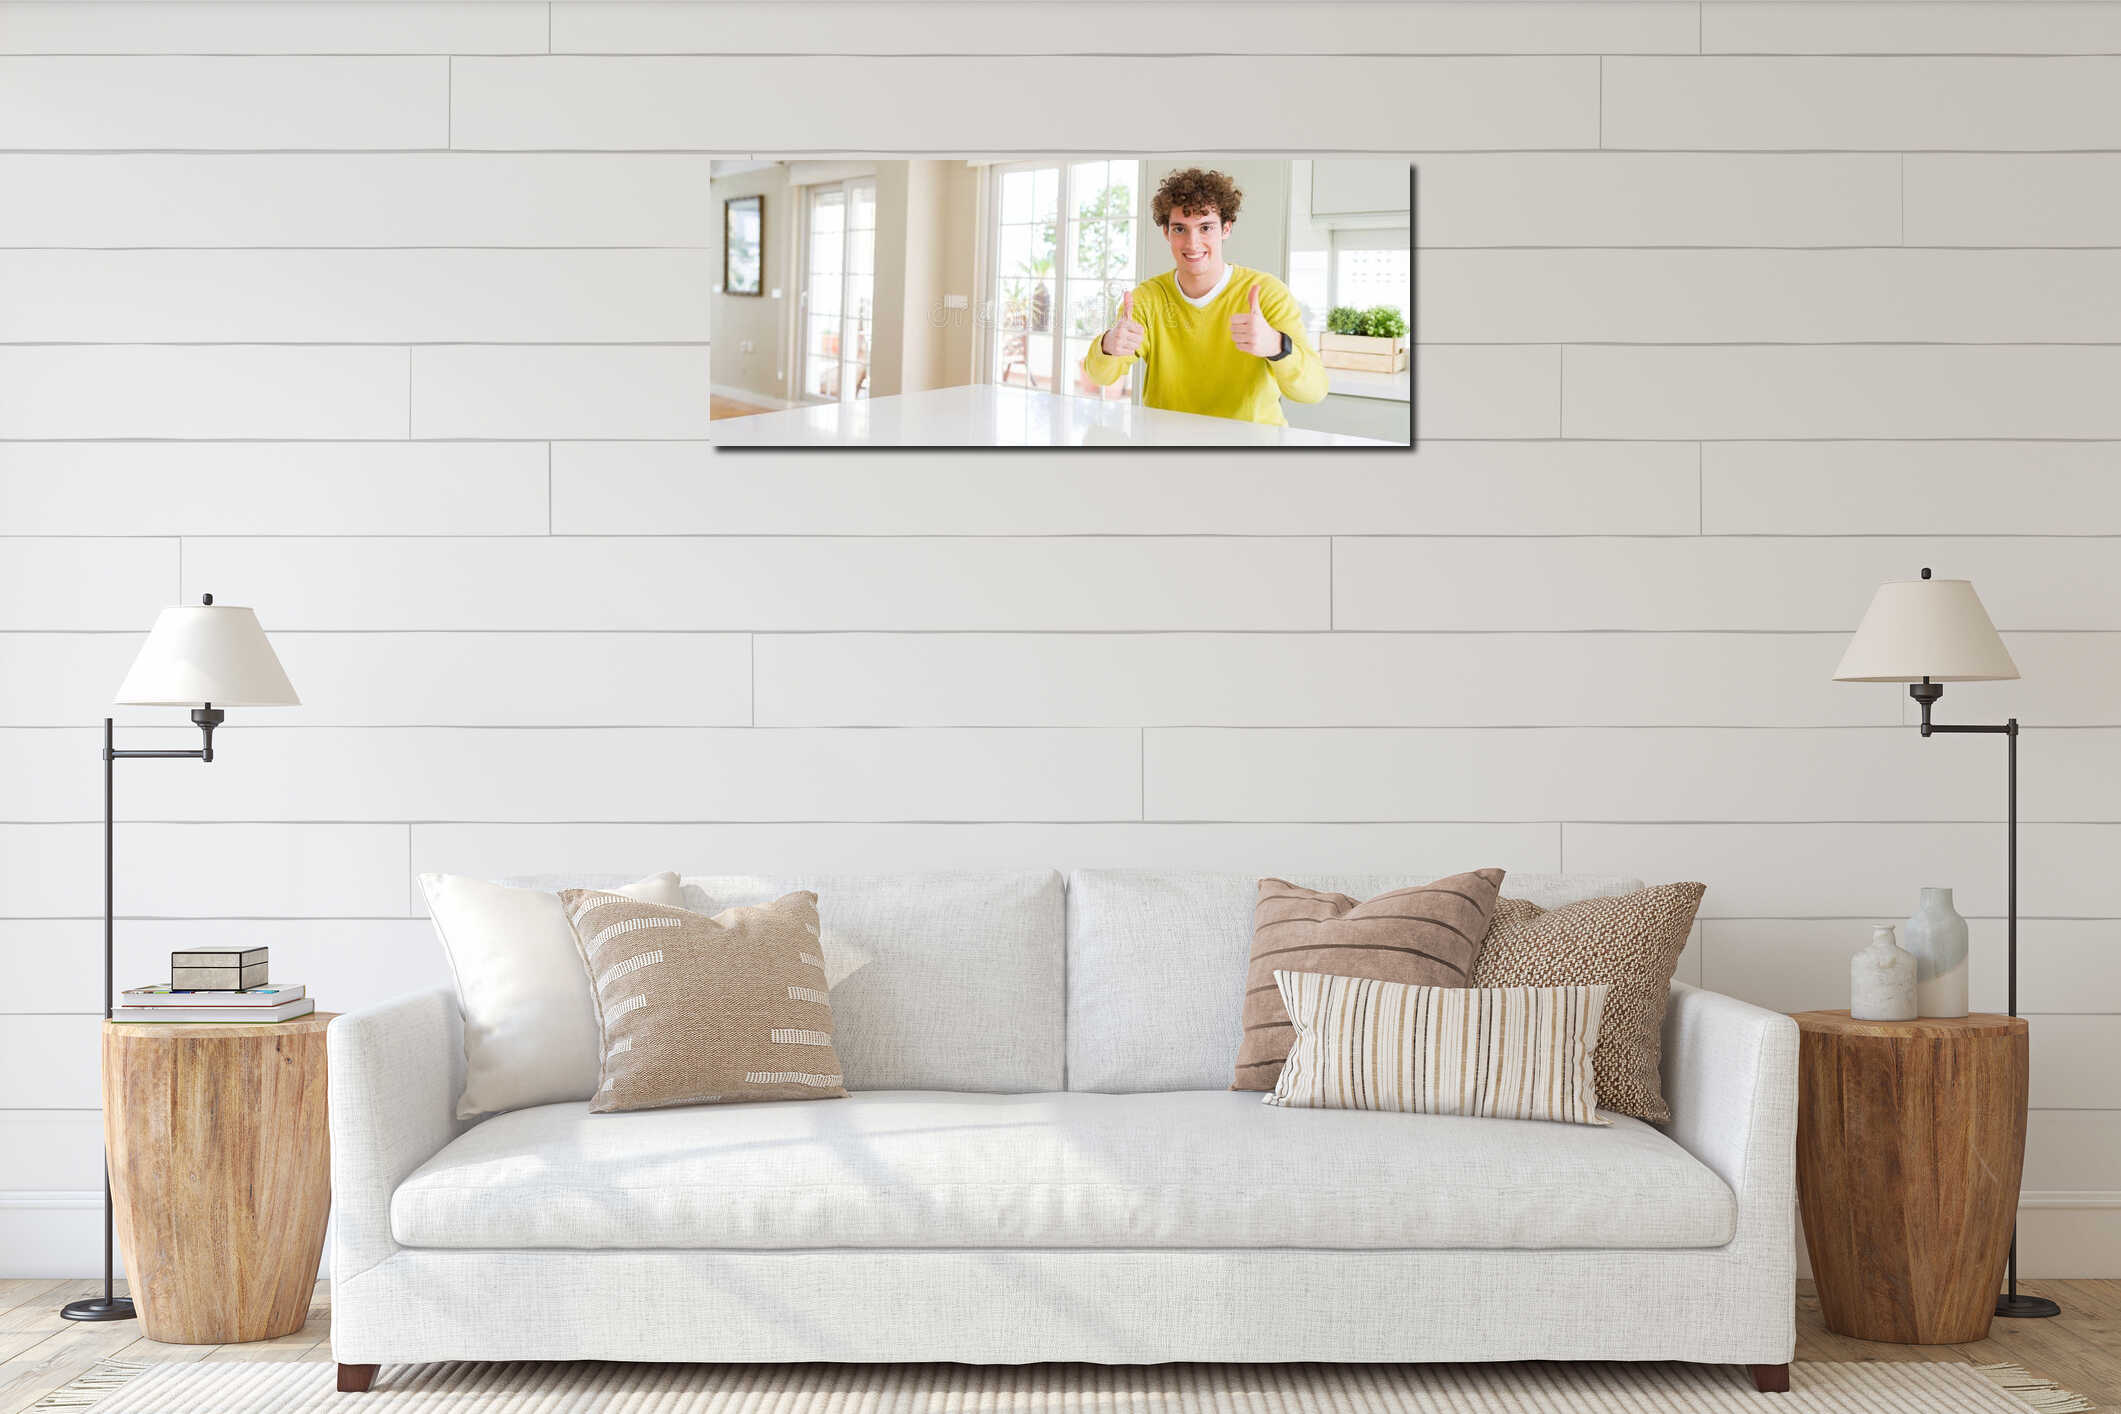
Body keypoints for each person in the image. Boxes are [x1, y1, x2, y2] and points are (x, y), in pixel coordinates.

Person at [1079, 167, 1326, 427]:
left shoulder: (1268, 293)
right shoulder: (1146, 299)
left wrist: (1277, 346)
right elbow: (1100, 377)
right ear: (1166, 232)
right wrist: (1108, 345)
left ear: (1226, 228)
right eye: (1179, 229)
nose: (1192, 243)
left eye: (1205, 227)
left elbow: (1313, 391)